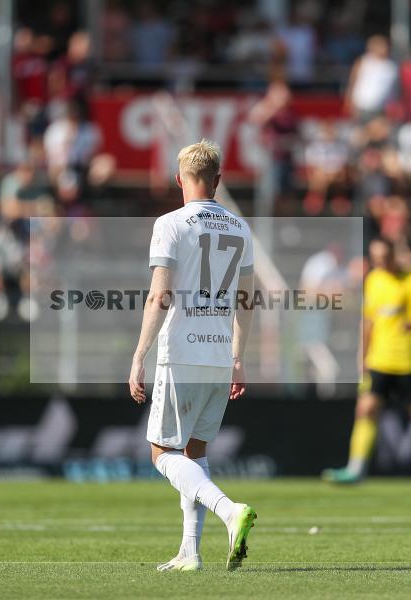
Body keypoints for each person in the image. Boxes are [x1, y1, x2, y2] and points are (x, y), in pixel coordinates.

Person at [128, 140, 256, 572]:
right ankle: (190, 551)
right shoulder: (241, 228)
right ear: (218, 181)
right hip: (219, 356)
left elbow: (160, 295)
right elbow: (247, 301)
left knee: (162, 453)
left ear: (179, 178)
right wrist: (239, 358)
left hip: (180, 352)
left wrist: (139, 355)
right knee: (195, 452)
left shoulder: (170, 223)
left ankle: (229, 511)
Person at [323, 238, 411, 486]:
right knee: (366, 409)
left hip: (409, 360)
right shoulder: (374, 280)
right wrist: (363, 355)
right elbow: (368, 322)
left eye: (384, 257)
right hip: (379, 360)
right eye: (376, 258)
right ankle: (355, 469)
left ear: (393, 255)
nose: (381, 263)